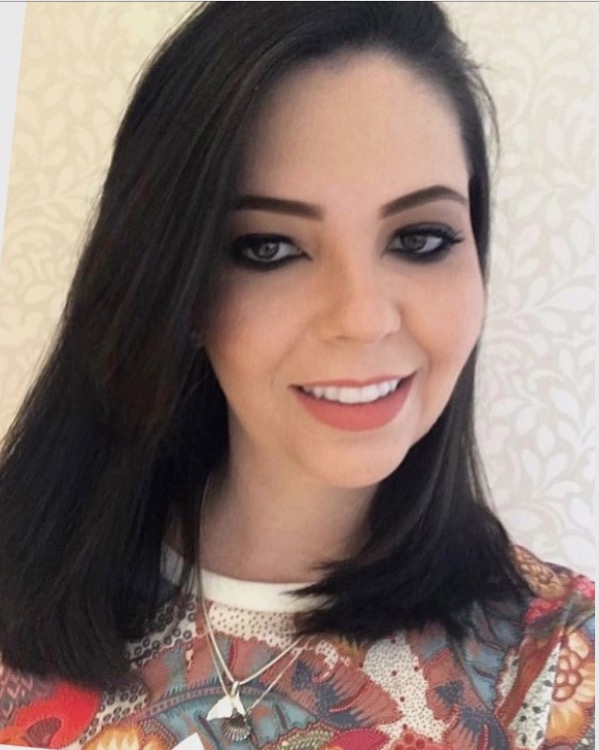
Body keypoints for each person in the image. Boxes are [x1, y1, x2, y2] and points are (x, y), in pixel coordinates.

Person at [0, 2, 594, 749]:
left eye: (419, 238)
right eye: (269, 248)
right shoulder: (24, 581)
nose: (362, 317)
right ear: (177, 285)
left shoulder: (555, 666)